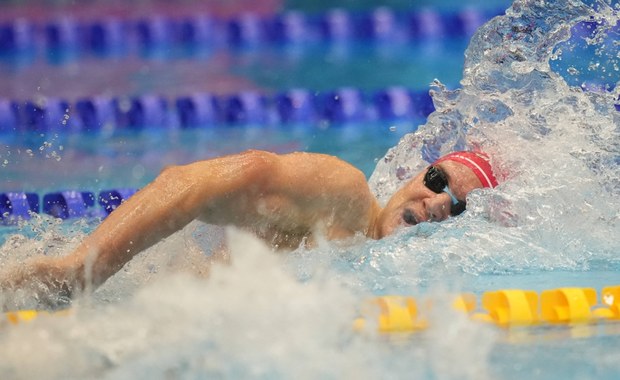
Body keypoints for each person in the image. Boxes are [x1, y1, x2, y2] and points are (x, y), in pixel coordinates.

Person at [0, 149, 498, 308]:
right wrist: (80, 270)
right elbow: (194, 182)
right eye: (437, 180)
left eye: (457, 210)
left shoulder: (421, 286)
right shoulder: (343, 198)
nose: (436, 204)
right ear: (413, 172)